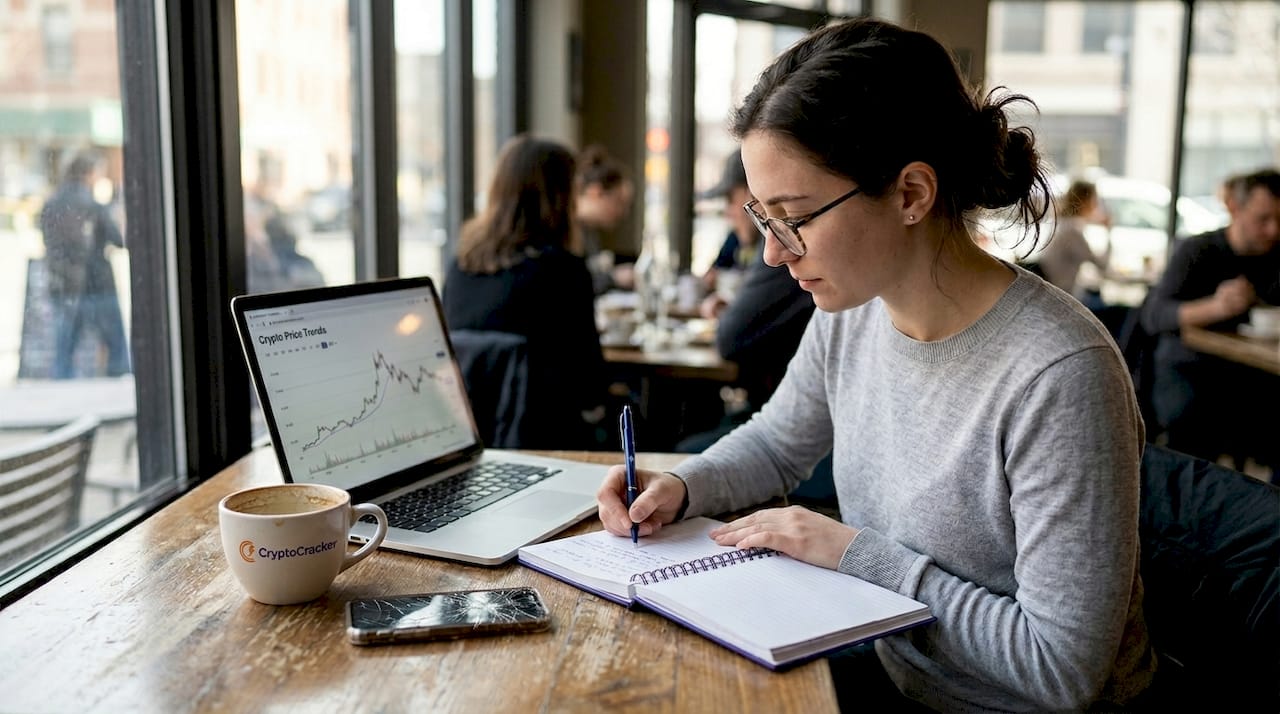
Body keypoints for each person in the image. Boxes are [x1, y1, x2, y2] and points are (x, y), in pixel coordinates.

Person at [597, 17, 1154, 712]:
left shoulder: (1060, 373)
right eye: (762, 218)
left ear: (911, 194)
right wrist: (683, 486)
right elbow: (776, 442)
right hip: (898, 675)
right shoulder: (856, 311)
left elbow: (1061, 668)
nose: (773, 253)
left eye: (793, 218)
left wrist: (853, 553)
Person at [442, 135, 607, 449]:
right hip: (548, 442)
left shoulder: (460, 265)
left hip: (469, 441)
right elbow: (591, 387)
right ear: (563, 197)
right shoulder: (564, 271)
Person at [1140, 167, 1280, 475]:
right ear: (1234, 208)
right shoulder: (1198, 250)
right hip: (1190, 369)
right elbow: (1153, 315)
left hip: (1254, 374)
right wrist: (1215, 307)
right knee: (1198, 426)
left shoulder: (1275, 258)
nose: (1273, 230)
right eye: (1263, 219)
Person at [40, 151, 131, 379]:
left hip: (65, 284)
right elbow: (118, 240)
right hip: (98, 282)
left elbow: (49, 242)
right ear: (89, 174)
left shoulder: (50, 204)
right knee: (117, 348)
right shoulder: (93, 205)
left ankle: (62, 394)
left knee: (64, 349)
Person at [574, 144, 636, 295]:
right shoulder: (568, 231)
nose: (623, 212)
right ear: (596, 193)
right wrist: (613, 278)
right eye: (619, 202)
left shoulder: (588, 232)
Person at [697, 149, 760, 296]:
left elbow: (741, 315)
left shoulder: (777, 251)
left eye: (730, 200)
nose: (727, 212)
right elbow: (711, 275)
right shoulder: (735, 238)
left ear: (751, 194)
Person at [1038, 178, 1111, 299]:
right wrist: (1109, 232)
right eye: (1094, 200)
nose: (1096, 205)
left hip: (1054, 290)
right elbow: (1102, 266)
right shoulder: (1072, 231)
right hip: (1063, 296)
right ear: (1085, 201)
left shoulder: (1061, 223)